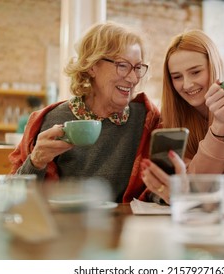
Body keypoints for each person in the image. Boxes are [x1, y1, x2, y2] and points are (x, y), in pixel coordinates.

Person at [8, 21, 161, 203]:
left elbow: (157, 190)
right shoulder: (51, 120)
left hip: (129, 228)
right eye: (122, 65)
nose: (133, 78)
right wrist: (36, 161)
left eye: (137, 67)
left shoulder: (146, 119)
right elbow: (12, 199)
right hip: (70, 227)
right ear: (92, 66)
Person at [141, 29, 224, 204]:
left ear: (213, 66)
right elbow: (194, 189)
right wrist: (218, 127)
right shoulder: (171, 121)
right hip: (197, 218)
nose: (187, 84)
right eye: (177, 77)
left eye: (195, 72)